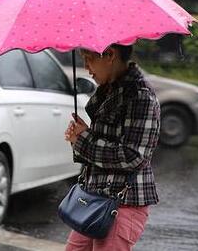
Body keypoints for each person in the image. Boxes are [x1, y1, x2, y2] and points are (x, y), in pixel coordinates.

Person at [64, 44, 161, 251]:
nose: (87, 68)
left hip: (122, 203)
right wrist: (81, 135)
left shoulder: (140, 96)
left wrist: (82, 140)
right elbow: (105, 142)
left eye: (89, 59)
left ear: (109, 55)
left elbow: (133, 156)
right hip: (94, 197)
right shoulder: (109, 90)